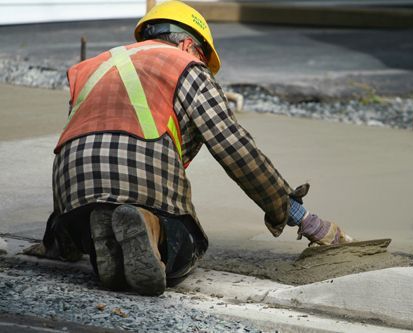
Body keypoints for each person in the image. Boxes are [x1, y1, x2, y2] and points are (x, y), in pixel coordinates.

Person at [38, 0, 351, 296]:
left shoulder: (96, 65)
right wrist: (301, 216)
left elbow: (75, 144)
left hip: (70, 202)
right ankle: (152, 227)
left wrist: (57, 233)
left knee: (100, 224)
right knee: (186, 244)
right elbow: (235, 148)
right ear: (189, 45)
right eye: (203, 56)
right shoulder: (186, 65)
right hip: (141, 187)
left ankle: (98, 238)